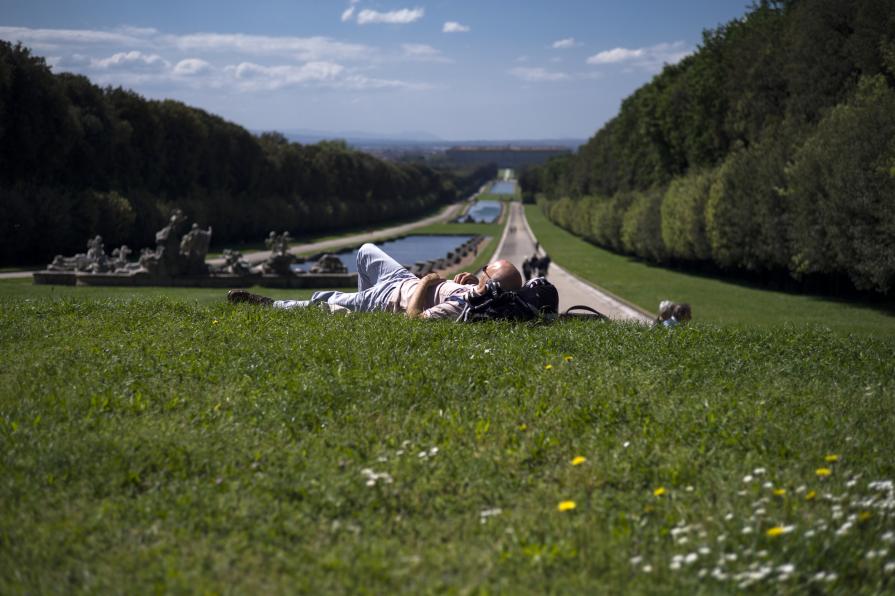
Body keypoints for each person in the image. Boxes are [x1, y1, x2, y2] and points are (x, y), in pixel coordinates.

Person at [227, 242, 523, 320]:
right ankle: (360, 312)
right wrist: (469, 280)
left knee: (325, 298)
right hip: (400, 280)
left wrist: (428, 281)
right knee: (366, 252)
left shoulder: (464, 308)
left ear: (492, 283)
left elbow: (414, 319)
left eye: (486, 270)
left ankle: (273, 305)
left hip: (391, 298)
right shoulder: (477, 292)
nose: (481, 271)